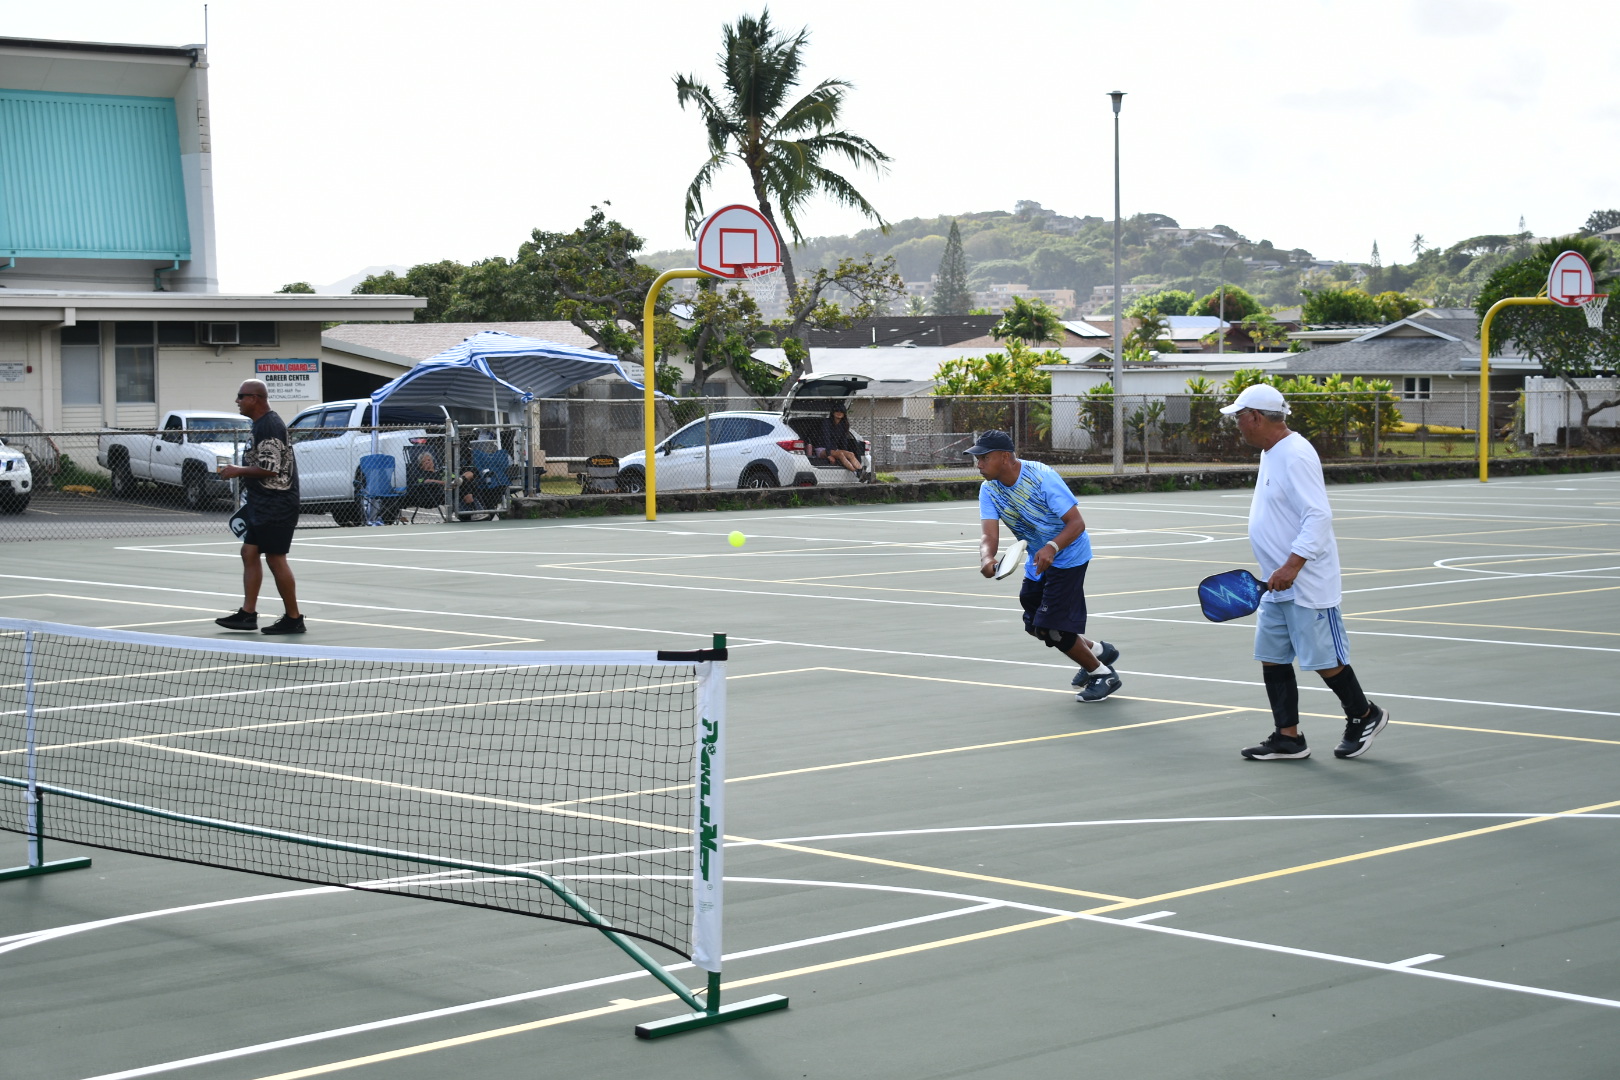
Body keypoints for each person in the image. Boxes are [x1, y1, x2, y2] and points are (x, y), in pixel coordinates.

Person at [1221, 383, 1388, 760]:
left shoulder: (1295, 454)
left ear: (1256, 417)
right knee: (1272, 656)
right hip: (1276, 583)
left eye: (1239, 417)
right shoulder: (1271, 452)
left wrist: (1292, 566)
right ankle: (1288, 737)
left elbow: (1318, 515)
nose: (1237, 424)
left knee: (1325, 660)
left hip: (1305, 583)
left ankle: (1364, 715)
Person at [968, 430, 1122, 702]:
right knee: (1035, 624)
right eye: (977, 459)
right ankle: (1098, 651)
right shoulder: (989, 489)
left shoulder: (1041, 477)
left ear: (1004, 457)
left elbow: (1077, 523)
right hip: (1037, 559)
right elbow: (988, 535)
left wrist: (1052, 547)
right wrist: (987, 558)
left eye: (984, 458)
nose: (978, 464)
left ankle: (1101, 674)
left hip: (1069, 556)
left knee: (1052, 628)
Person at [215, 380, 305, 634]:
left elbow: (269, 468)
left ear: (254, 398)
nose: (237, 401)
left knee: (276, 558)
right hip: (261, 502)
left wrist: (237, 470)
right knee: (249, 552)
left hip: (277, 503)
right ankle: (248, 614)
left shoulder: (270, 426)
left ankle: (294, 618)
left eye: (241, 396)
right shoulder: (260, 424)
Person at [810, 405, 863, 473]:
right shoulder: (826, 422)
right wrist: (829, 454)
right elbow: (826, 438)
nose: (839, 413)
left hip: (834, 449)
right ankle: (856, 472)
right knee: (840, 454)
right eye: (837, 411)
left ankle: (861, 471)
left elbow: (843, 441)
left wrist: (845, 452)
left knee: (851, 454)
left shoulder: (843, 425)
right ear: (833, 412)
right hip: (823, 449)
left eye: (841, 411)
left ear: (844, 414)